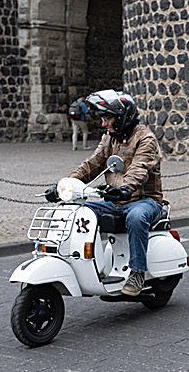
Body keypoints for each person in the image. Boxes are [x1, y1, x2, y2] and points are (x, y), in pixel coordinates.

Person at [45, 89, 163, 297]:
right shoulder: (110, 138)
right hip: (115, 201)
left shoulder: (146, 138)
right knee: (75, 210)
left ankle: (137, 273)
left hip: (144, 200)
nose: (103, 124)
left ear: (122, 117)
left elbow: (140, 167)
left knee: (136, 217)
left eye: (107, 119)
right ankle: (90, 264)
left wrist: (126, 188)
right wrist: (65, 185)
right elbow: (92, 164)